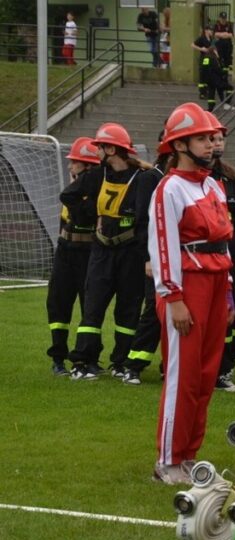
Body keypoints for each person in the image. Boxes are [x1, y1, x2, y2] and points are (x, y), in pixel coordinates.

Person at [150, 102, 234, 484]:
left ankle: (189, 456)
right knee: (182, 376)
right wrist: (174, 298)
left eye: (209, 138)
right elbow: (163, 246)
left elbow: (223, 241)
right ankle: (168, 459)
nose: (209, 145)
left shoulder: (213, 185)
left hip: (216, 284)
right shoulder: (169, 189)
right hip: (187, 287)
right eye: (201, 139)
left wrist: (229, 292)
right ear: (180, 145)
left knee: (205, 375)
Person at [61, 123, 150, 381]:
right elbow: (68, 195)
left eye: (100, 147)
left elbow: (147, 218)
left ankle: (121, 361)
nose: (96, 151)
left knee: (128, 309)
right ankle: (83, 361)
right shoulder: (97, 175)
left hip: (131, 252)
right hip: (101, 251)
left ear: (111, 149)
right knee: (93, 307)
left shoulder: (143, 177)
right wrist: (93, 215)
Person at [120, 129, 172, 386]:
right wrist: (148, 258)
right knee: (154, 309)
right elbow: (143, 222)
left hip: (177, 257)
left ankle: (170, 366)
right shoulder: (150, 179)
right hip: (156, 257)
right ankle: (134, 364)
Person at [47, 138, 100, 376]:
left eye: (75, 163)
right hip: (65, 251)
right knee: (58, 305)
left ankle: (90, 357)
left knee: (90, 308)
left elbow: (84, 217)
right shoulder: (72, 191)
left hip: (89, 253)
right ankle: (58, 358)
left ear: (88, 167)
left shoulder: (96, 193)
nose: (70, 167)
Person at [208, 112, 235, 392]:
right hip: (207, 260)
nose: (215, 144)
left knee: (233, 315)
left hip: (232, 258)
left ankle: (225, 367)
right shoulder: (182, 183)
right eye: (210, 139)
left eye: (219, 139)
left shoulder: (231, 179)